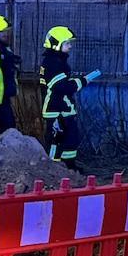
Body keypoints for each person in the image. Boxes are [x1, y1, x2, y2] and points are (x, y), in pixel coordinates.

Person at [39, 25, 99, 164]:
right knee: (56, 140)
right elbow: (61, 87)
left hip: (63, 108)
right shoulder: (53, 63)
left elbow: (61, 83)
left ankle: (69, 166)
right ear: (56, 44)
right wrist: (84, 81)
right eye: (67, 43)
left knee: (71, 138)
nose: (70, 46)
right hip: (55, 110)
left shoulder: (57, 61)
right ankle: (53, 169)